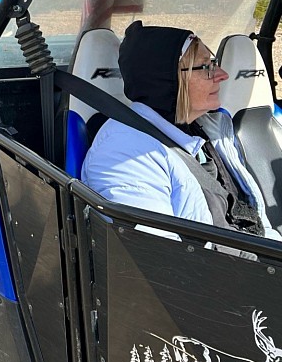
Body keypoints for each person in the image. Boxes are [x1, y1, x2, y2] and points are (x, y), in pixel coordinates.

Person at [82, 20, 281, 241]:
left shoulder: (208, 129)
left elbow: (254, 224)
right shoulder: (124, 152)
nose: (222, 74)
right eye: (206, 67)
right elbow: (155, 252)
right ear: (167, 79)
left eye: (214, 63)